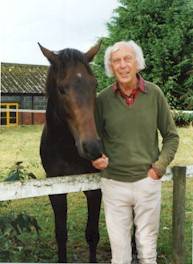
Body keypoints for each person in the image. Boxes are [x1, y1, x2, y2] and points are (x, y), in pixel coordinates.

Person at [92, 40, 179, 264]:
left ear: (137, 63)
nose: (122, 65)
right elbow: (94, 139)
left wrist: (158, 169)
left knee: (147, 252)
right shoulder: (101, 100)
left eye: (127, 59)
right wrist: (96, 158)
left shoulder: (155, 94)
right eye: (116, 61)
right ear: (110, 67)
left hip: (147, 182)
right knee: (119, 256)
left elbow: (171, 136)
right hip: (114, 184)